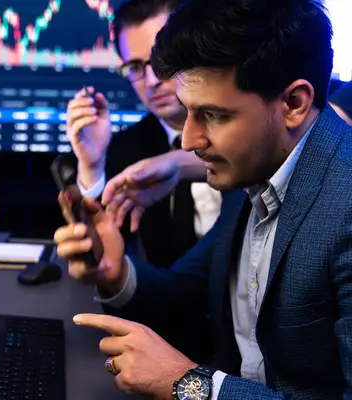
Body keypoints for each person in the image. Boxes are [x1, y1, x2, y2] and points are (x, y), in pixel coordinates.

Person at [54, 0, 352, 398]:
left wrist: (190, 384)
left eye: (212, 115)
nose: (188, 142)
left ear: (293, 104)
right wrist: (115, 273)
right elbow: (188, 294)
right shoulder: (252, 175)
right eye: (189, 112)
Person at [66, 0, 220, 267]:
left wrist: (176, 164)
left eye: (162, 60)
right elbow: (106, 259)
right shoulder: (126, 149)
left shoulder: (246, 125)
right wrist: (92, 165)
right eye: (136, 67)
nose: (151, 81)